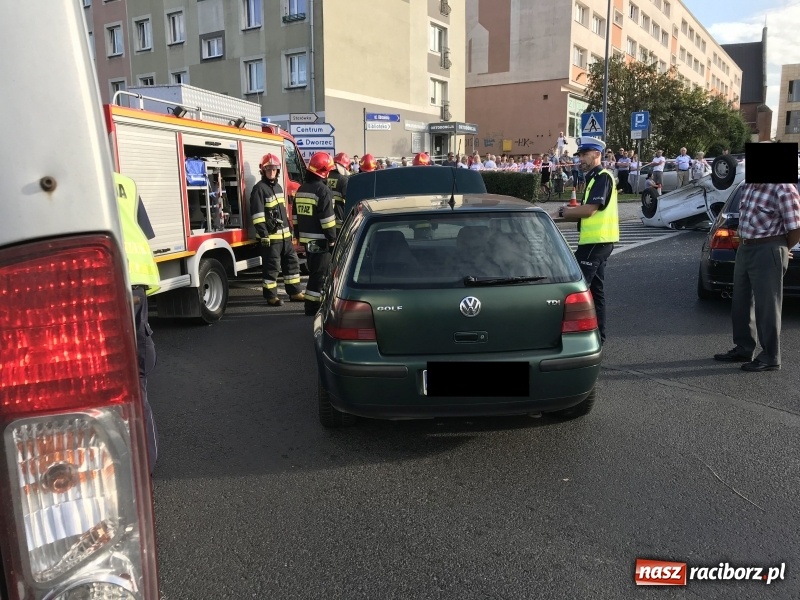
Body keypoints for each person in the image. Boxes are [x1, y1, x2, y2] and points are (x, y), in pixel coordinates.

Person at [714, 183, 800, 371]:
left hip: (767, 248)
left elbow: (796, 228)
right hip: (745, 247)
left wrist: (781, 248)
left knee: (768, 306)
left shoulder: (783, 189)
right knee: (741, 302)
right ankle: (743, 348)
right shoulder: (748, 186)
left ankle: (771, 357)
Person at [113, 172, 161, 473]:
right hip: (137, 284)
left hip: (105, 282)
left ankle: (125, 466)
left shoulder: (73, 178)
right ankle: (145, 464)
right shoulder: (126, 183)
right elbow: (145, 233)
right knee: (137, 376)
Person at [559, 137, 619, 345]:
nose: (581, 159)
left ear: (597, 154)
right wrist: (559, 214)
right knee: (595, 291)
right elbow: (584, 211)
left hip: (596, 243)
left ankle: (577, 338)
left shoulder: (602, 177)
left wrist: (564, 212)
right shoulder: (594, 178)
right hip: (596, 242)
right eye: (580, 155)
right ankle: (598, 337)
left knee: (576, 288)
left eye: (585, 155)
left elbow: (590, 210)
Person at [250, 153, 304, 306]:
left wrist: (290, 229)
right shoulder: (259, 189)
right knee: (272, 267)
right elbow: (258, 215)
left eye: (274, 169)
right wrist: (263, 234)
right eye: (268, 169)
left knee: (292, 264)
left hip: (285, 237)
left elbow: (283, 212)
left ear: (278, 170)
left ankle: (295, 292)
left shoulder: (279, 187)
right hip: (271, 238)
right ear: (263, 170)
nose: (271, 172)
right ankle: (271, 296)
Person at [294, 152, 337, 316]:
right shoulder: (323, 190)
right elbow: (327, 220)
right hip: (321, 241)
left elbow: (295, 217)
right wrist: (332, 238)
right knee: (319, 275)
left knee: (314, 273)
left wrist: (298, 235)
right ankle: (312, 308)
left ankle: (313, 305)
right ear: (324, 171)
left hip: (307, 241)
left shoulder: (301, 189)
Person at [328, 152, 351, 231]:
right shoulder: (344, 180)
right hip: (339, 222)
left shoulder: (325, 177)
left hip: (326, 223)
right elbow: (349, 202)